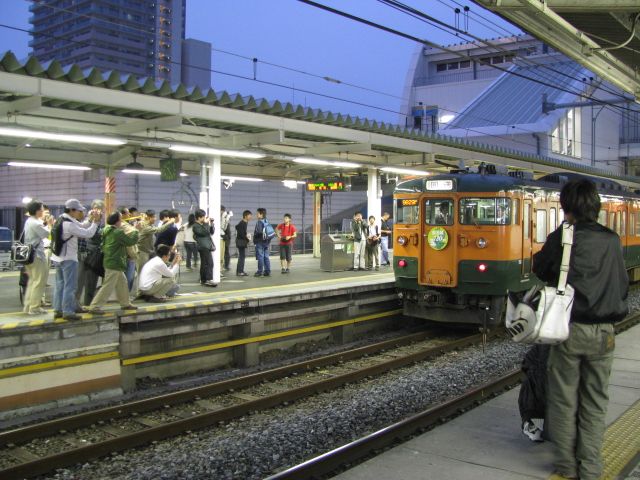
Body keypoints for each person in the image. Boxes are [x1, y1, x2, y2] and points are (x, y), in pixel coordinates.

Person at [533, 179, 628, 480]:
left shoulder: (564, 236)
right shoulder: (612, 239)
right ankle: (591, 469)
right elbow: (622, 285)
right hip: (604, 333)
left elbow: (540, 268)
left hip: (570, 330)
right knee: (595, 401)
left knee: (563, 400)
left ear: (566, 207)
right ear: (595, 206)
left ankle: (566, 466)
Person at [51, 199, 101, 321]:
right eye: (79, 211)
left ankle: (58, 310)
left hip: (58, 258)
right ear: (72, 210)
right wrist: (95, 222)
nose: (80, 213)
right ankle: (68, 312)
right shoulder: (69, 224)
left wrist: (89, 220)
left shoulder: (62, 219)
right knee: (70, 286)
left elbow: (81, 226)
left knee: (60, 285)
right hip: (68, 259)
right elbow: (87, 233)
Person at [87, 211, 139, 314]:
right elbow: (130, 241)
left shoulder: (107, 230)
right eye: (121, 219)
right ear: (117, 221)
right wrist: (136, 230)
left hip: (112, 262)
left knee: (122, 283)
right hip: (114, 263)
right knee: (108, 286)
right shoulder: (117, 232)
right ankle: (94, 307)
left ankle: (125, 303)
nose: (122, 220)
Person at [22, 200, 53, 315]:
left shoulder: (30, 221)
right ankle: (34, 307)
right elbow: (46, 234)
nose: (43, 211)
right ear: (37, 211)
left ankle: (28, 306)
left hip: (30, 255)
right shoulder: (35, 222)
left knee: (33, 281)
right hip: (37, 256)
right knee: (39, 281)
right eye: (42, 209)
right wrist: (50, 224)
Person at [76, 199, 104, 306]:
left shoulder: (100, 220)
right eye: (97, 208)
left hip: (94, 255)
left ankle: (88, 304)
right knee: (80, 281)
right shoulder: (88, 219)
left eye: (101, 209)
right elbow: (90, 235)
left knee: (91, 282)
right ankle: (76, 303)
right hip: (85, 254)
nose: (99, 211)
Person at [192, 209, 217, 287]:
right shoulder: (195, 226)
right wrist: (206, 223)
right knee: (209, 263)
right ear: (199, 218)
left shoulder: (202, 225)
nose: (204, 218)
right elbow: (204, 233)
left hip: (206, 246)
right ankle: (208, 280)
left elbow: (211, 232)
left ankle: (203, 280)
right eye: (203, 217)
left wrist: (212, 224)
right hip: (203, 246)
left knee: (204, 264)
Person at [118, 206, 138, 292]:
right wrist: (137, 227)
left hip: (129, 255)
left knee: (129, 277)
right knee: (128, 278)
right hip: (128, 255)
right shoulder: (122, 225)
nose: (129, 214)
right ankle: (126, 296)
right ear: (122, 215)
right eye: (127, 213)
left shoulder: (127, 224)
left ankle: (126, 296)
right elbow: (133, 233)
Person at [253, 207, 273, 277]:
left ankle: (259, 271)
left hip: (260, 242)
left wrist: (254, 239)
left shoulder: (259, 222)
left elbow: (258, 232)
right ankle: (267, 271)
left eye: (257, 214)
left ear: (261, 215)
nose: (256, 215)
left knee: (260, 257)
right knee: (266, 257)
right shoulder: (266, 221)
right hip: (266, 242)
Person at [235, 210, 252, 276]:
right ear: (245, 216)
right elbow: (242, 234)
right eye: (249, 215)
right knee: (242, 257)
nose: (251, 217)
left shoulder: (244, 223)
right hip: (241, 242)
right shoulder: (243, 223)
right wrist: (247, 239)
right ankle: (240, 271)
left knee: (241, 256)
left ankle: (239, 271)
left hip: (240, 241)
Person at [220, 206, 232, 272]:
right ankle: (225, 266)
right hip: (225, 237)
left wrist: (225, 237)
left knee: (226, 252)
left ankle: (226, 266)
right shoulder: (223, 217)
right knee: (224, 253)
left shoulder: (225, 217)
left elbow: (226, 229)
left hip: (225, 238)